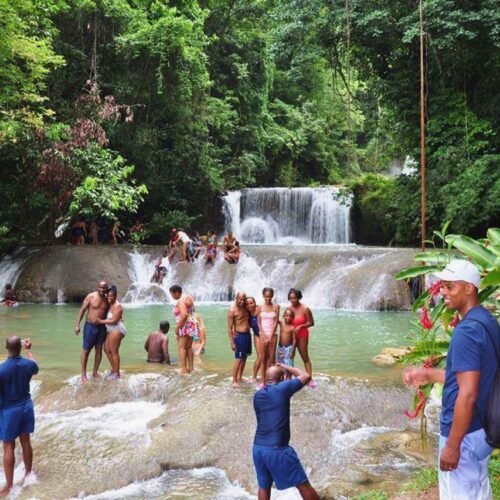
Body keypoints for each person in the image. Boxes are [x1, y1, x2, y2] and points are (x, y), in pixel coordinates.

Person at [403, 260, 499, 500]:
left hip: (464, 434)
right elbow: (474, 377)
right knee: (478, 489)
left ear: (469, 288)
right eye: (442, 286)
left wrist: (453, 446)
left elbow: (467, 394)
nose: (442, 292)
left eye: (449, 286)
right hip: (482, 430)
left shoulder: (466, 331)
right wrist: (429, 375)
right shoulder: (486, 321)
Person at [252, 363, 319, 500]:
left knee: (264, 486)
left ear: (266, 378)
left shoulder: (257, 395)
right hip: (277, 449)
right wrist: (286, 366)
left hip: (258, 448)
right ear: (282, 378)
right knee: (303, 484)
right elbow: (306, 376)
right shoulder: (282, 388)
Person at [0, 337, 38, 495]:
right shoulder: (28, 364)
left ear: (6, 348)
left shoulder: (2, 369)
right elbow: (35, 367)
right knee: (26, 441)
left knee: (8, 446)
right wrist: (29, 350)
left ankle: (9, 486)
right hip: (26, 407)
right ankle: (28, 474)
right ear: (21, 348)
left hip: (9, 410)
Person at [74, 281, 109, 382]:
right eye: (101, 288)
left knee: (99, 349)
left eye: (104, 288)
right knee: (86, 350)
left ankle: (95, 372)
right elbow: (83, 309)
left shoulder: (107, 299)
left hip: (102, 327)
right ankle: (83, 375)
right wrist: (77, 325)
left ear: (107, 289)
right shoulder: (91, 296)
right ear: (98, 288)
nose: (102, 290)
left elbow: (112, 310)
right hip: (90, 326)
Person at [288, 288, 316, 388]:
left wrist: (301, 326)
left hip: (302, 335)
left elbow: (311, 323)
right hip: (291, 335)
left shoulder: (305, 309)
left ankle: (310, 378)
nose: (292, 300)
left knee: (305, 357)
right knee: (290, 357)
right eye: (290, 298)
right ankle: (289, 379)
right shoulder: (289, 309)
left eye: (294, 298)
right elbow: (286, 323)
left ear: (298, 298)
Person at [98, 286, 126, 380]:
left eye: (112, 296)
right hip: (110, 329)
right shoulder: (109, 303)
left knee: (114, 350)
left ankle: (117, 373)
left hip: (117, 328)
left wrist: (100, 321)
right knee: (106, 349)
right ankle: (113, 369)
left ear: (115, 296)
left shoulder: (117, 306)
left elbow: (114, 321)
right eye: (108, 296)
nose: (110, 298)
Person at [169, 285, 198, 374]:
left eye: (172, 294)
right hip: (191, 324)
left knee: (182, 348)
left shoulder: (181, 301)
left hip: (184, 325)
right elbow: (193, 311)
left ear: (176, 292)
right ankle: (191, 369)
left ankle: (184, 369)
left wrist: (178, 328)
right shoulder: (189, 298)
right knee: (189, 347)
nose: (172, 296)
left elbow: (184, 314)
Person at [228, 292, 251, 388]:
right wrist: (232, 342)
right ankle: (234, 380)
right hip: (239, 336)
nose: (242, 301)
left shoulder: (246, 307)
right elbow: (229, 328)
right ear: (236, 298)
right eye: (240, 299)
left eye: (243, 299)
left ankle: (240, 377)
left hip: (247, 335)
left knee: (245, 357)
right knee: (238, 358)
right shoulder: (232, 310)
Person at [258, 288, 280, 388]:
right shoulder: (260, 307)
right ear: (263, 296)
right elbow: (258, 323)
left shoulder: (276, 307)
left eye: (269, 296)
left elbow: (276, 322)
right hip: (262, 335)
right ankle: (263, 381)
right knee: (263, 359)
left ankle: (272, 381)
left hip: (273, 335)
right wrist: (263, 336)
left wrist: (270, 336)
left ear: (272, 296)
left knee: (272, 359)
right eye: (266, 296)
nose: (268, 298)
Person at [247, 296, 262, 384]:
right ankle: (254, 376)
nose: (250, 305)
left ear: (255, 303)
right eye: (247, 304)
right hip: (257, 335)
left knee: (268, 357)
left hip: (266, 335)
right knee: (260, 357)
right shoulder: (247, 314)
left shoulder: (260, 309)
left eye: (251, 303)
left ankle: (268, 376)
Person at [277, 308, 296, 376]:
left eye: (290, 316)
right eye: (286, 315)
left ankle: (288, 379)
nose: (288, 317)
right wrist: (277, 309)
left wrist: (293, 351)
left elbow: (294, 340)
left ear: (292, 318)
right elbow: (275, 319)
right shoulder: (281, 324)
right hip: (280, 348)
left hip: (288, 348)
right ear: (283, 316)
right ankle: (281, 379)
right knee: (280, 363)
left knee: (288, 364)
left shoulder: (292, 328)